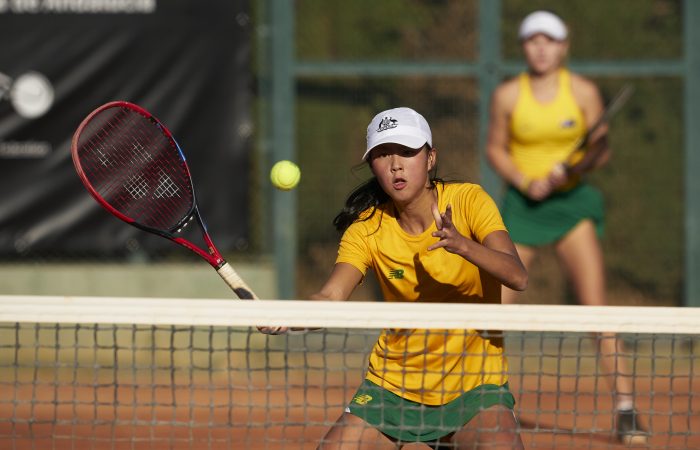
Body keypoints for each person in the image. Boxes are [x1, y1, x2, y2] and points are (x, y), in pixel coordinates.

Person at [263, 107, 527, 449]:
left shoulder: (468, 201)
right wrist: (287, 317)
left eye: (406, 152)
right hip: (392, 386)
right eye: (382, 154)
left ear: (430, 158)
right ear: (373, 166)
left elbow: (517, 275)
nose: (395, 164)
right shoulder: (366, 230)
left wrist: (463, 245)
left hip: (475, 387)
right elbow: (330, 299)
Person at [485, 10, 647, 446]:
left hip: (572, 205)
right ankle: (476, 399)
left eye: (550, 40)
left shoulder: (583, 92)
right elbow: (495, 149)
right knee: (495, 310)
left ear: (564, 46)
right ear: (524, 47)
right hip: (522, 207)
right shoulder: (506, 96)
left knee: (595, 308)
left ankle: (626, 410)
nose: (541, 47)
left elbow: (602, 150)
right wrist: (525, 181)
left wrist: (570, 171)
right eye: (533, 40)